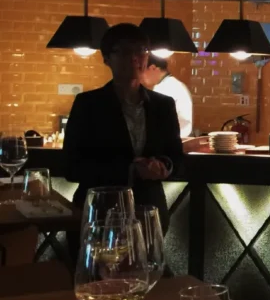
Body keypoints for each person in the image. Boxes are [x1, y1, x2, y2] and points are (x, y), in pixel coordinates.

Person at [64, 24, 185, 231]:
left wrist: (163, 165)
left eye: (141, 50)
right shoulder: (89, 104)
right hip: (100, 213)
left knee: (148, 263)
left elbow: (176, 156)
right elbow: (71, 166)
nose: (135, 57)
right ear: (107, 59)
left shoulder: (163, 105)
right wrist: (129, 170)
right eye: (126, 51)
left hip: (148, 213)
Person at [141, 55, 193, 137]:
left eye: (142, 71)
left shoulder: (165, 88)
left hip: (172, 139)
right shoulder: (175, 84)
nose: (141, 77)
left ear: (153, 68)